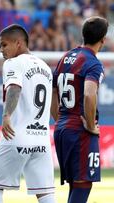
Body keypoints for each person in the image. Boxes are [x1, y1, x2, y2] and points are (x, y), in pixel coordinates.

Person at [0, 24, 56, 203]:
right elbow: (52, 100)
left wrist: (6, 115)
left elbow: (14, 87)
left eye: (4, 45)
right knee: (46, 194)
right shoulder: (45, 67)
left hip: (17, 135)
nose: (0, 50)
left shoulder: (12, 63)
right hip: (42, 139)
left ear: (18, 43)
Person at [51, 16, 107, 203]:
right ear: (103, 40)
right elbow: (90, 94)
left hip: (62, 128)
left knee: (76, 184)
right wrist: (90, 125)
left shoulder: (65, 57)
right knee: (83, 184)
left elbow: (53, 91)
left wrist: (59, 119)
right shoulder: (93, 63)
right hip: (79, 131)